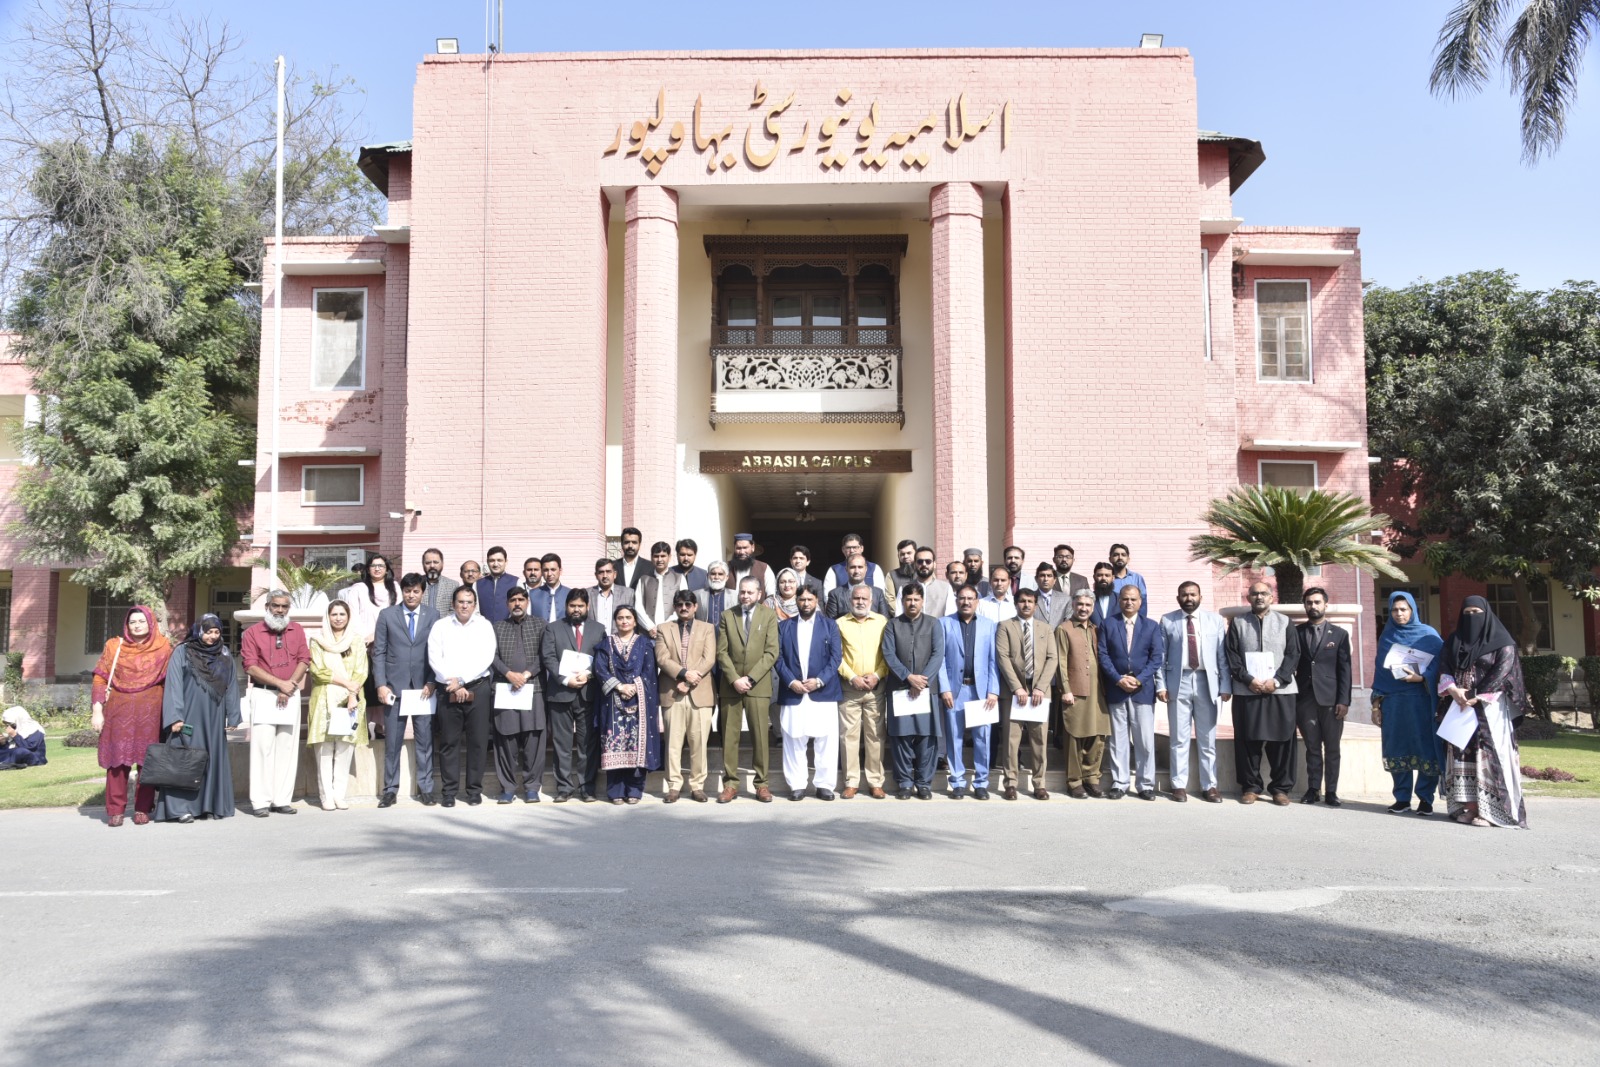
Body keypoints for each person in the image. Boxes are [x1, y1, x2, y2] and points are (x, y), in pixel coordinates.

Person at [1437, 596, 1530, 828]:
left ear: (1486, 614)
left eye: (1476, 611)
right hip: (1459, 708)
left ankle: (1491, 812)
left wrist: (1476, 695)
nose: (1472, 617)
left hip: (1490, 710)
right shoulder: (1453, 641)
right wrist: (1454, 690)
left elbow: (1503, 673)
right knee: (1461, 757)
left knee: (1487, 756)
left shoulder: (1503, 643)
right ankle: (1469, 807)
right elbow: (1444, 667)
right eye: (1467, 612)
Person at [154, 615, 241, 822]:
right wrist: (175, 717)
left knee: (211, 757)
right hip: (189, 715)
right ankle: (179, 808)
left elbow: (231, 686)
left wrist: (234, 716)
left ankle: (208, 805)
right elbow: (174, 685)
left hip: (215, 716)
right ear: (198, 631)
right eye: (208, 631)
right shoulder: (183, 652)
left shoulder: (224, 653)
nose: (212, 636)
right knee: (185, 759)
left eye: (216, 632)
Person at [89, 606, 171, 825]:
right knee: (117, 761)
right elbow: (100, 678)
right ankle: (115, 809)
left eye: (141, 621)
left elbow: (173, 681)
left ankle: (143, 807)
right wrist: (97, 710)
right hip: (118, 711)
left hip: (151, 712)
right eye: (133, 622)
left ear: (151, 623)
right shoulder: (114, 646)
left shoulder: (163, 648)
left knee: (148, 760)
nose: (137, 625)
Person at [1225, 581, 1303, 805]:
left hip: (1280, 691)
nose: (1259, 597)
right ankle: (1251, 787)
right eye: (1255, 594)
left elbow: (1292, 655)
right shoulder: (1238, 623)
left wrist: (1277, 681)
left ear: (1272, 597)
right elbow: (1232, 656)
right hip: (1247, 690)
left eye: (1264, 594)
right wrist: (1248, 680)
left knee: (1282, 741)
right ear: (1248, 598)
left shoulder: (1285, 622)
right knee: (1247, 740)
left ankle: (1280, 789)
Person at [1155, 582, 1231, 803]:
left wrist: (1225, 685)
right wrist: (1161, 685)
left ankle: (1210, 786)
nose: (1189, 598)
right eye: (1184, 595)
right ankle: (1179, 785)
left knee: (1207, 738)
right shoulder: (1168, 620)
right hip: (1178, 682)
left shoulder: (1214, 620)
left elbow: (1221, 656)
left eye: (1192, 594)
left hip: (1207, 682)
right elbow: (1161, 657)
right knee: (1179, 737)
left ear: (1200, 596)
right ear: (1178, 598)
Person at [1370, 592, 1445, 815]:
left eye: (1404, 609)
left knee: (1425, 749)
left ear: (1412, 610)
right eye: (1395, 610)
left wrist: (1422, 678)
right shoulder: (1387, 636)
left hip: (1422, 701)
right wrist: (1376, 706)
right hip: (1394, 704)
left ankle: (1425, 799)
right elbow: (1380, 675)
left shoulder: (1429, 636)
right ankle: (1402, 798)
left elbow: (1441, 668)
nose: (1399, 613)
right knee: (1397, 748)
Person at [241, 590, 311, 816]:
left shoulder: (296, 629)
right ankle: (260, 801)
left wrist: (288, 685)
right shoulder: (253, 633)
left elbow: (304, 659)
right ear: (267, 607)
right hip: (264, 696)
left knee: (287, 748)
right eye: (275, 606)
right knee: (262, 749)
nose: (280, 610)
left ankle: (281, 799)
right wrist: (279, 684)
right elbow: (250, 666)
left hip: (290, 694)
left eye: (284, 607)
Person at [372, 573, 439, 807]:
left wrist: (432, 681)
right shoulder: (387, 615)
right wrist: (380, 683)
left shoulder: (433, 615)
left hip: (423, 689)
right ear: (402, 592)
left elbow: (437, 652)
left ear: (422, 592)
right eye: (408, 591)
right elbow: (378, 651)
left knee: (425, 741)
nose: (412, 595)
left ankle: (426, 788)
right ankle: (390, 789)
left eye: (416, 591)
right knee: (392, 742)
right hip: (394, 687)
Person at [427, 585, 496, 807]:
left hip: (478, 687)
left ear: (474, 605)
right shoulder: (441, 626)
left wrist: (463, 680)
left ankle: (474, 790)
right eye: (460, 602)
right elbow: (434, 657)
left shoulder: (484, 626)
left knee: (478, 741)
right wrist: (453, 683)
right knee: (449, 742)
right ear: (453, 604)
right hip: (448, 689)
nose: (464, 606)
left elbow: (487, 656)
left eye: (468, 602)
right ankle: (449, 792)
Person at [715, 577, 781, 802]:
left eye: (750, 592)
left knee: (760, 736)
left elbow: (772, 652)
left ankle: (761, 784)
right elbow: (721, 652)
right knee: (729, 737)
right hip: (731, 687)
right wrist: (734, 679)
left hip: (758, 686)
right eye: (742, 592)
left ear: (759, 594)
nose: (745, 596)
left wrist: (750, 678)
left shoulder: (769, 615)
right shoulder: (727, 615)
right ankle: (730, 783)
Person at [775, 586, 843, 800]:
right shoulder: (784, 626)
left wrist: (820, 681)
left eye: (810, 599)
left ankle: (824, 785)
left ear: (817, 601)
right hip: (793, 691)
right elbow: (777, 658)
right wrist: (791, 681)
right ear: (796, 601)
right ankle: (797, 784)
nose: (805, 603)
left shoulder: (830, 625)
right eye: (802, 599)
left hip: (823, 691)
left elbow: (836, 658)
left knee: (826, 741)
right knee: (794, 739)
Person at [1098, 585, 1164, 800]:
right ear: (1120, 601)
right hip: (1116, 689)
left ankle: (1145, 784)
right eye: (1125, 599)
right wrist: (1118, 679)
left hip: (1141, 691)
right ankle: (1120, 782)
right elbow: (1103, 655)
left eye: (1133, 599)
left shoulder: (1152, 626)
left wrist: (1138, 679)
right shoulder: (1109, 624)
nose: (1129, 602)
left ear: (1140, 602)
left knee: (1144, 740)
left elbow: (1156, 658)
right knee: (1118, 739)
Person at [882, 582, 946, 800]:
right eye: (908, 599)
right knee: (901, 737)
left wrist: (922, 681)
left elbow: (938, 654)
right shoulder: (892, 625)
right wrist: (908, 677)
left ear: (922, 601)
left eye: (916, 599)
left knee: (926, 737)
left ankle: (923, 783)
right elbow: (888, 654)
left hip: (926, 689)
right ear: (902, 601)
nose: (912, 603)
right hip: (900, 689)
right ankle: (905, 782)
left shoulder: (933, 624)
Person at [542, 588, 605, 802]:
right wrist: (566, 680)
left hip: (588, 692)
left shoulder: (599, 629)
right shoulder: (553, 628)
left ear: (587, 607)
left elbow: (603, 658)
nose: (576, 610)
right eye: (572, 606)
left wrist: (588, 675)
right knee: (562, 743)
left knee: (588, 743)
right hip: (561, 692)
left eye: (580, 606)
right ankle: (564, 788)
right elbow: (548, 658)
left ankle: (587, 787)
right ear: (566, 607)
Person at [938, 584, 1000, 799]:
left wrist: (993, 690)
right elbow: (940, 660)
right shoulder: (944, 624)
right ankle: (957, 782)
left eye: (970, 598)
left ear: (977, 601)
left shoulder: (989, 626)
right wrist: (944, 688)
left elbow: (993, 660)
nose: (966, 602)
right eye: (962, 598)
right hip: (955, 690)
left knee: (982, 738)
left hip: (981, 691)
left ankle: (981, 782)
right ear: (956, 600)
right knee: (954, 738)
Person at [594, 605, 662, 804]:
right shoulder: (606, 644)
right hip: (612, 702)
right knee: (614, 744)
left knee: (637, 745)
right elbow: (599, 669)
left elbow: (650, 672)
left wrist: (634, 686)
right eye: (620, 618)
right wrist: (620, 686)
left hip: (640, 702)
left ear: (634, 621)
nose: (624, 621)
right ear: (615, 621)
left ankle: (634, 790)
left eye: (628, 617)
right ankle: (615, 791)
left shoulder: (645, 644)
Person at [306, 600, 370, 811]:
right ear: (328, 616)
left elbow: (361, 671)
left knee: (344, 748)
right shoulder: (318, 641)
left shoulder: (356, 641)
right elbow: (317, 671)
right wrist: (346, 684)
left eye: (342, 614)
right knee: (324, 750)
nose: (338, 618)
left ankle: (339, 795)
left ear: (348, 617)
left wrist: (352, 694)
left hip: (351, 700)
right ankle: (326, 796)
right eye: (334, 614)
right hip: (325, 699)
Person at [996, 588, 1058, 800]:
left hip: (1040, 691)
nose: (1026, 605)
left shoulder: (1046, 629)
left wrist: (1040, 687)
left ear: (1036, 604)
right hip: (1015, 691)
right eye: (1022, 601)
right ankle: (1010, 783)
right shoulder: (1005, 626)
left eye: (1030, 601)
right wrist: (1017, 688)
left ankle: (1039, 784)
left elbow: (1052, 658)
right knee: (1012, 740)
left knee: (1039, 739)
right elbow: (1003, 657)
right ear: (1016, 603)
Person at [656, 590, 716, 803]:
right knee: (673, 743)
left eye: (688, 604)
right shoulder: (664, 629)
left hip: (699, 693)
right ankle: (673, 786)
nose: (684, 608)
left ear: (695, 606)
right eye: (679, 604)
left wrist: (689, 680)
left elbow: (709, 658)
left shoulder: (707, 628)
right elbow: (662, 658)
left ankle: (697, 786)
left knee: (698, 743)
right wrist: (682, 674)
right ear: (674, 607)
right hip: (672, 692)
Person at [1295, 587, 1352, 806]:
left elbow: (1345, 670)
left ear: (1325, 605)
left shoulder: (1339, 634)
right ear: (1305, 605)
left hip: (1331, 700)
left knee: (1332, 748)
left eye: (1317, 602)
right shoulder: (1297, 633)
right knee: (1312, 747)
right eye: (1309, 602)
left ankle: (1332, 791)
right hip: (1305, 699)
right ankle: (1313, 789)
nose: (1313, 606)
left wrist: (1344, 700)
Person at [490, 586, 547, 804]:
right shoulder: (497, 627)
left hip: (534, 689)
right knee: (506, 739)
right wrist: (508, 674)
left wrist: (526, 674)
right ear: (507, 604)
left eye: (521, 599)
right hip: (505, 689)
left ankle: (532, 787)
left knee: (534, 740)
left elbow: (546, 654)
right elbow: (491, 655)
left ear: (527, 602)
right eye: (513, 600)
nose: (517, 604)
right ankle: (508, 787)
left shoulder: (540, 624)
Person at [836, 584, 890, 799]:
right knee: (849, 736)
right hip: (849, 688)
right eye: (856, 598)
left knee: (875, 736)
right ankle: (851, 781)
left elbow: (888, 653)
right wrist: (852, 677)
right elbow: (836, 657)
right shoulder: (840, 624)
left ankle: (875, 782)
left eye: (864, 599)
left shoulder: (882, 622)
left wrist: (877, 675)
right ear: (850, 601)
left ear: (872, 601)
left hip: (876, 688)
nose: (860, 602)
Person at [1055, 591, 1110, 798]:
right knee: (1075, 736)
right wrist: (1065, 689)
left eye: (1088, 605)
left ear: (1093, 607)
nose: (1084, 608)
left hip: (1098, 691)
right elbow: (1060, 661)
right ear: (1073, 605)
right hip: (1075, 691)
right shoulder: (1064, 629)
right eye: (1080, 604)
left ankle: (1092, 778)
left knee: (1097, 735)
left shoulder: (1097, 629)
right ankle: (1074, 781)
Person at [338, 553, 394, 735]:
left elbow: (397, 614)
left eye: (381, 565)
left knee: (385, 685)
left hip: (389, 644)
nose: (377, 569)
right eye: (374, 565)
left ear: (387, 569)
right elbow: (352, 616)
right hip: (363, 645)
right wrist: (367, 637)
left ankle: (382, 728)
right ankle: (362, 728)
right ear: (368, 569)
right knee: (366, 685)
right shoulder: (359, 588)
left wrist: (379, 636)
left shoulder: (395, 588)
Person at [634, 541, 681, 636]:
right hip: (647, 633)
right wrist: (650, 627)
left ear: (669, 557)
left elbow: (682, 606)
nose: (659, 559)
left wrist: (665, 627)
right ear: (651, 557)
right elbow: (638, 607)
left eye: (663, 556)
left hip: (672, 632)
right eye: (656, 556)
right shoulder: (643, 579)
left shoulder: (679, 578)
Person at [825, 556, 890, 619]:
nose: (856, 571)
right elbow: (830, 624)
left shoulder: (878, 593)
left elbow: (885, 620)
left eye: (860, 567)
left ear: (866, 569)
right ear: (846, 569)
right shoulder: (835, 594)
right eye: (852, 567)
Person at [588, 557, 635, 634]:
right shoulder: (587, 594)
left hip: (619, 641)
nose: (605, 576)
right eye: (601, 572)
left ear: (615, 574)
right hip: (594, 642)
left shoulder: (628, 594)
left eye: (608, 571)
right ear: (596, 575)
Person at [904, 546, 954, 617]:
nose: (924, 564)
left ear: (934, 564)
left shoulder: (946, 588)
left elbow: (950, 618)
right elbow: (899, 616)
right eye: (920, 561)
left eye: (928, 561)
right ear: (915, 565)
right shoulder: (905, 587)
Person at [475, 546, 519, 624]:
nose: (495, 564)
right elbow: (475, 611)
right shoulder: (477, 584)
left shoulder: (517, 582)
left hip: (510, 629)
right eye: (492, 560)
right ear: (487, 562)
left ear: (506, 562)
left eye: (499, 560)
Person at [727, 532, 776, 597]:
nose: (742, 552)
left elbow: (771, 596)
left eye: (745, 548)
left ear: (752, 547)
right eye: (738, 548)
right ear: (734, 548)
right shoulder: (725, 567)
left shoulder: (764, 568)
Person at [528, 554, 570, 626]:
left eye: (553, 570)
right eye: (546, 570)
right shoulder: (531, 594)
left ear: (560, 571)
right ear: (542, 572)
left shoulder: (570, 593)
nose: (549, 574)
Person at [1108, 543, 1149, 616]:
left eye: (1123, 555)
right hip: (1111, 622)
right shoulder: (1106, 579)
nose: (1120, 557)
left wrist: (1140, 623)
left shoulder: (1137, 578)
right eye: (1116, 555)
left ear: (1128, 559)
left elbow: (1143, 604)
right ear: (1110, 559)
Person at [695, 561, 738, 628]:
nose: (716, 577)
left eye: (720, 574)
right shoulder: (697, 595)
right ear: (707, 576)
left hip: (727, 637)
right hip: (704, 636)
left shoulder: (735, 596)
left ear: (726, 577)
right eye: (713, 574)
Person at [420, 548, 459, 615]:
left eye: (435, 562)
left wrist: (440, 624)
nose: (432, 566)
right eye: (428, 563)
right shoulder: (416, 583)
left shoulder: (453, 585)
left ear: (442, 564)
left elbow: (454, 610)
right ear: (423, 564)